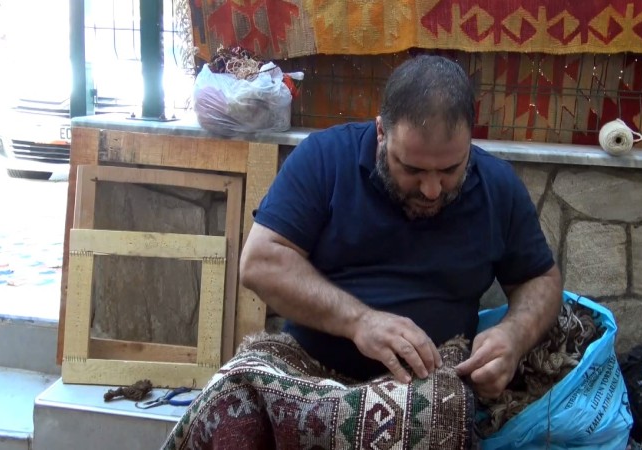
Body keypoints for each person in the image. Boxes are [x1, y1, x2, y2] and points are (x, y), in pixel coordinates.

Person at [239, 54, 563, 399]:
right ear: (381, 132)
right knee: (230, 398)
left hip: (433, 389)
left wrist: (513, 336)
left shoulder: (498, 185)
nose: (432, 190)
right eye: (412, 169)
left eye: (450, 170)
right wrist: (359, 321)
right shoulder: (324, 158)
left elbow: (540, 279)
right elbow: (260, 262)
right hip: (312, 376)